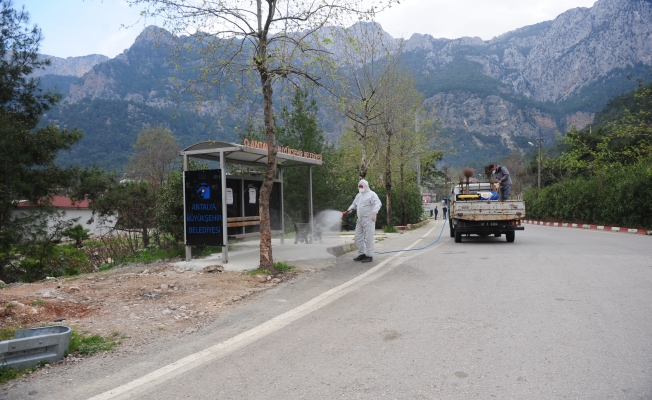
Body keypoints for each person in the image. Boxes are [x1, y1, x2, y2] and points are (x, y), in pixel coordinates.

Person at [347, 179, 382, 263]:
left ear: (365, 186)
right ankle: (362, 254)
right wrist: (351, 208)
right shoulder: (359, 195)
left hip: (369, 220)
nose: (360, 188)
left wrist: (375, 212)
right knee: (357, 237)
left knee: (369, 238)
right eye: (359, 186)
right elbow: (354, 204)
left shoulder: (372, 194)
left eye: (361, 186)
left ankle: (369, 255)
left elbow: (378, 203)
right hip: (360, 220)